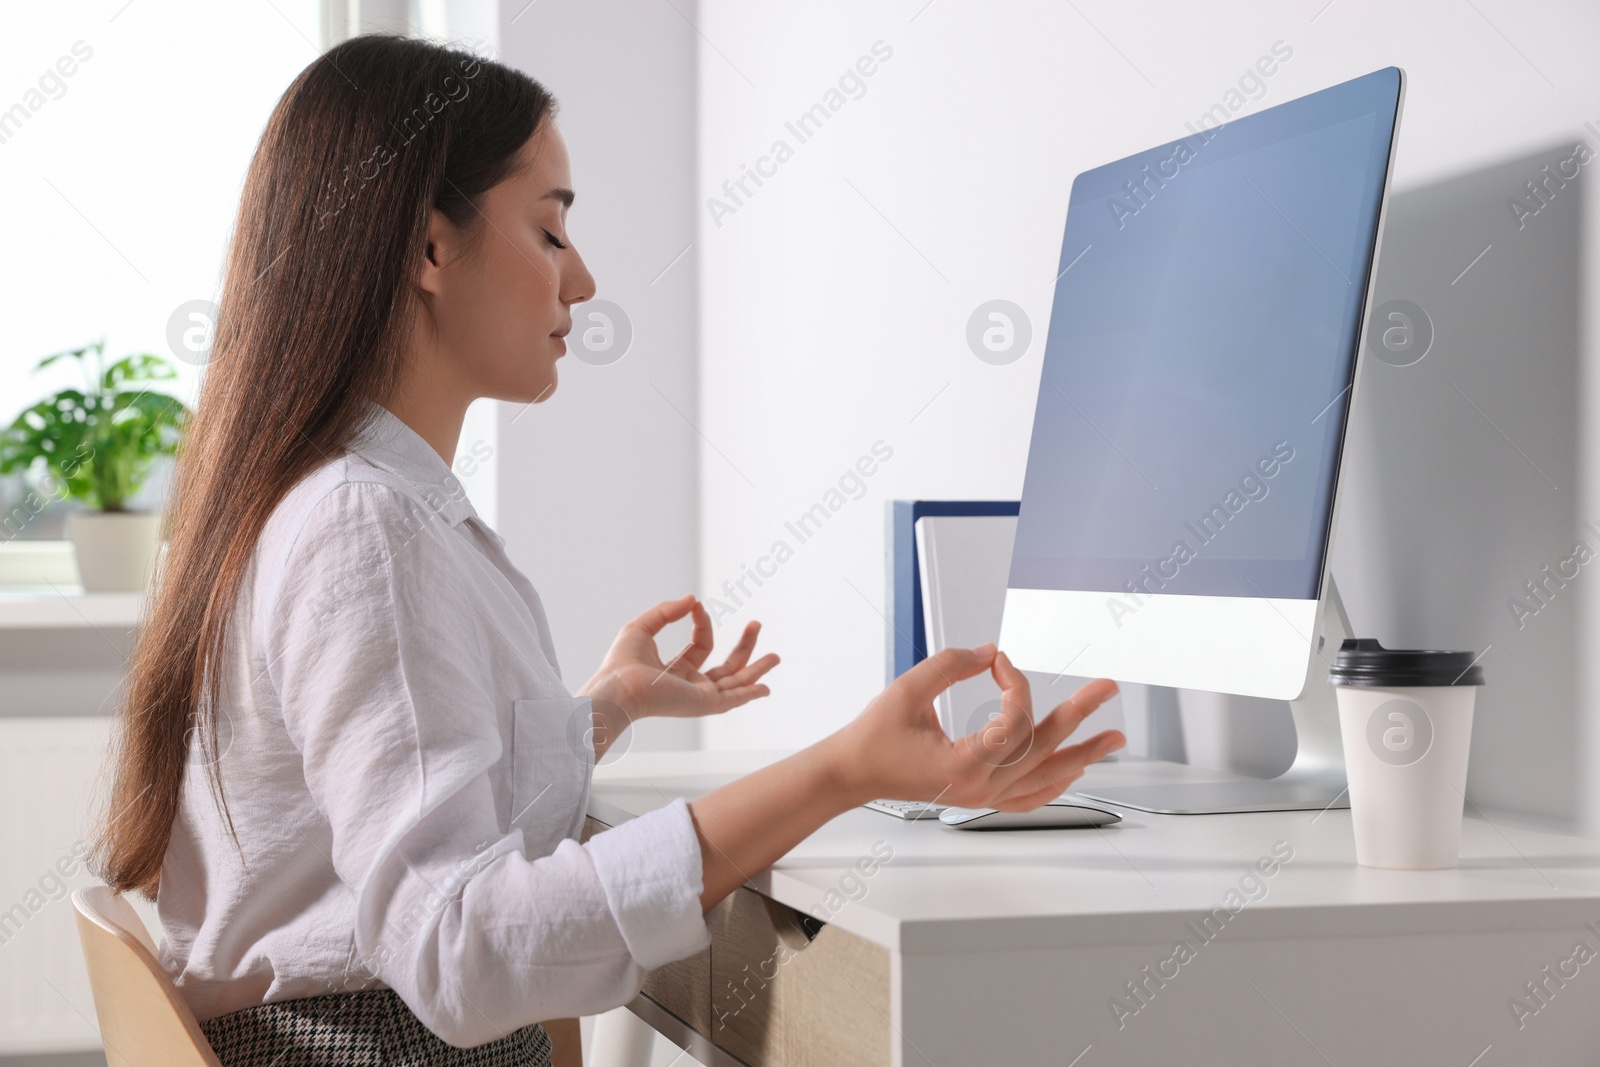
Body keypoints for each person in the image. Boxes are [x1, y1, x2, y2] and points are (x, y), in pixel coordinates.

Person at [92, 34, 1125, 1067]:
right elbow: (463, 950)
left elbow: (380, 804)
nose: (582, 281)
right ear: (429, 247)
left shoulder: (325, 502)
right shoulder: (364, 527)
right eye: (549, 233)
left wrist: (605, 707)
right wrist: (843, 767)